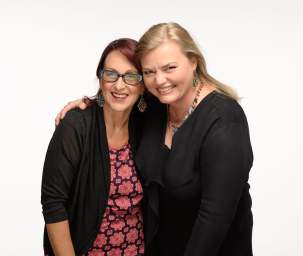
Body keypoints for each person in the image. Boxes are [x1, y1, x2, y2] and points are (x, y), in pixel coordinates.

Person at [55, 22, 254, 256]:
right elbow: (120, 95)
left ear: (194, 62)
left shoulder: (223, 121)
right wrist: (88, 105)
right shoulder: (156, 108)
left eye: (170, 67)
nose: (159, 81)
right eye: (149, 72)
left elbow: (215, 218)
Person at [41, 38, 146, 256]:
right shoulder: (76, 126)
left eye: (131, 76)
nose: (119, 85)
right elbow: (53, 203)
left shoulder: (147, 125)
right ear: (100, 79)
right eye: (111, 74)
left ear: (143, 84)